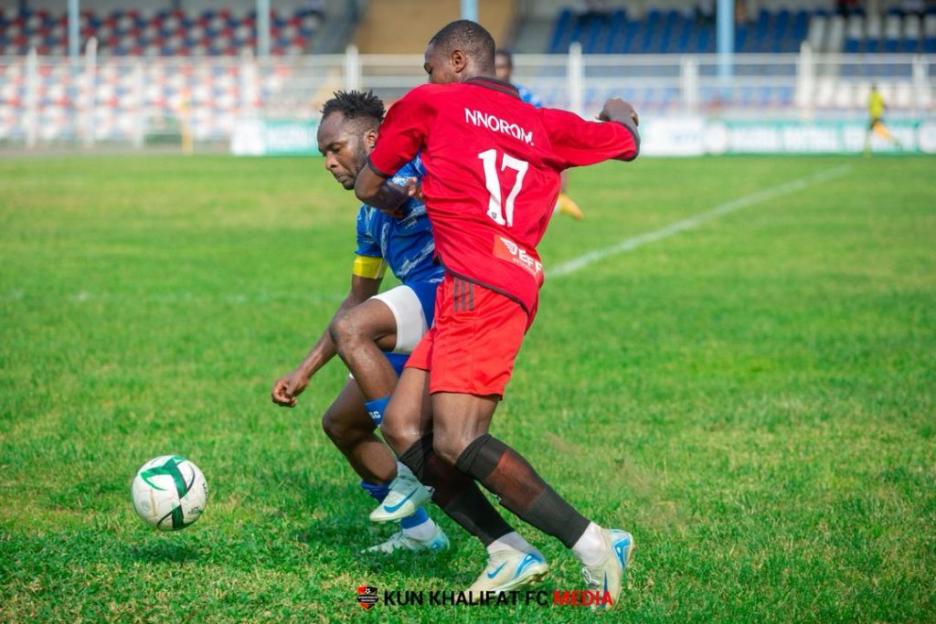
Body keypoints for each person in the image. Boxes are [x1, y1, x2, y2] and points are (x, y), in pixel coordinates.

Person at [355, 20, 639, 609]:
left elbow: (368, 183)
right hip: (499, 284)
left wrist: (385, 179)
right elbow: (625, 143)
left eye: (430, 63)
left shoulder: (431, 103)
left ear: (457, 60)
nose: (425, 75)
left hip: (476, 287)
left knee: (458, 439)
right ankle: (510, 552)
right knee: (405, 425)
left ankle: (594, 545)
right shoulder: (544, 123)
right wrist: (619, 112)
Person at [271, 90, 448, 554]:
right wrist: (303, 371)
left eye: (336, 148)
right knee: (342, 425)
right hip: (414, 310)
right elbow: (357, 299)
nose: (329, 162)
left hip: (453, 298)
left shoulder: (427, 167)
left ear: (372, 137)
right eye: (323, 154)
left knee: (358, 329)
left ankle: (413, 460)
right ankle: (420, 534)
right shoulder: (368, 217)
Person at [494, 48, 585, 221]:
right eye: (495, 67)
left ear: (510, 69)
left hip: (518, 163)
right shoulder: (479, 96)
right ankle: (559, 204)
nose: (498, 72)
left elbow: (548, 135)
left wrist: (561, 178)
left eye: (502, 67)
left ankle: (559, 201)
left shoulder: (526, 98)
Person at [864, 84, 902, 156]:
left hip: (874, 117)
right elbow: (884, 105)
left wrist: (872, 113)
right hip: (879, 116)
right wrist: (886, 111)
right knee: (881, 132)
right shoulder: (879, 96)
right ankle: (896, 142)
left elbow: (869, 106)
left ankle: (867, 150)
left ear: (871, 89)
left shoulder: (871, 96)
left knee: (869, 132)